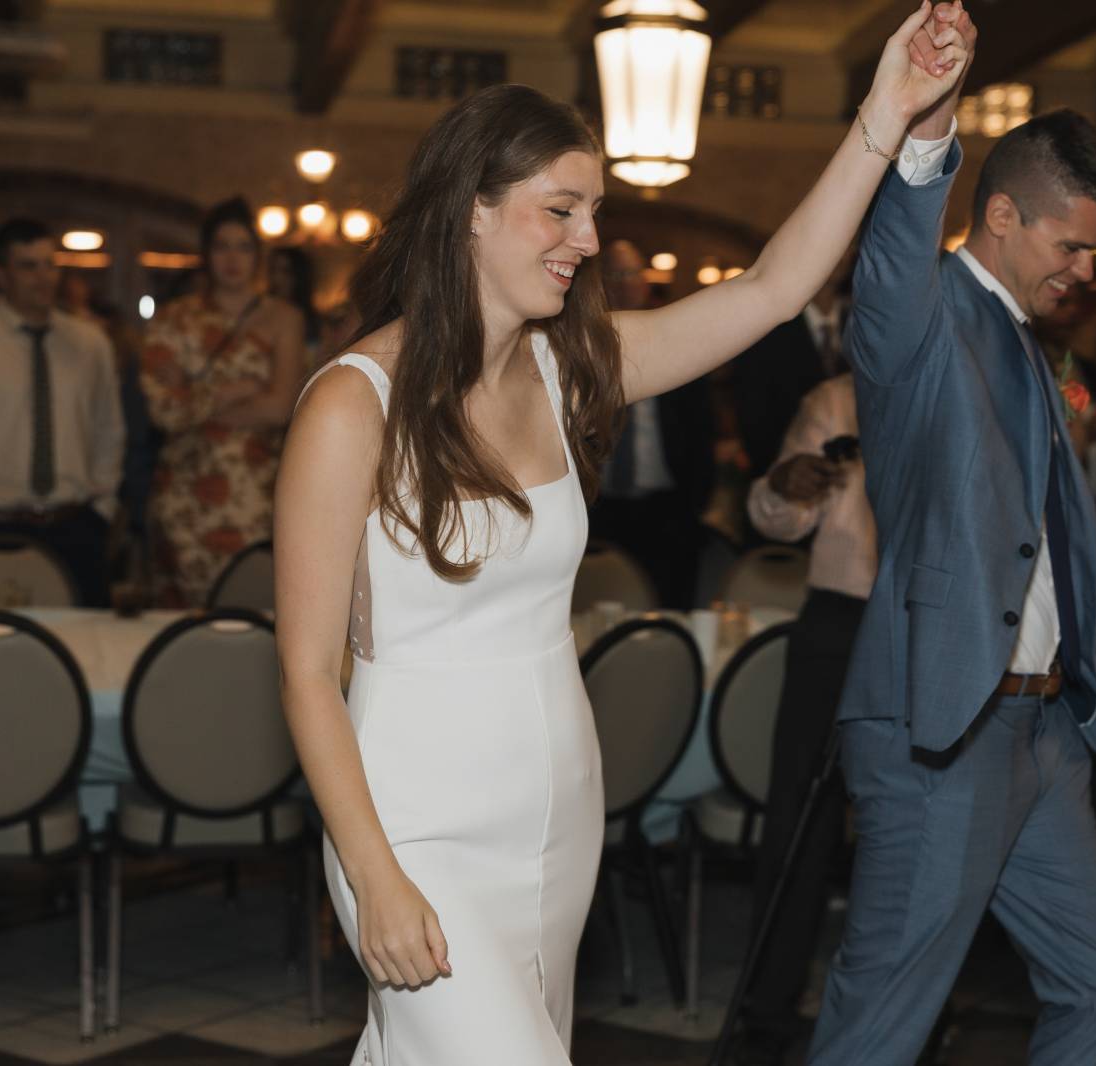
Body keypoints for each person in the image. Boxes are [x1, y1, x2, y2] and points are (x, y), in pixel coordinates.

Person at [271, 8, 974, 1063]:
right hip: (413, 820)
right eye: (560, 210)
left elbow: (773, 289)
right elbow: (304, 674)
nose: (589, 241)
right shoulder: (350, 405)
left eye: (593, 212)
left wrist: (885, 111)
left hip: (556, 806)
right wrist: (371, 871)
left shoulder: (569, 369)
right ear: (470, 211)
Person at [810, 87, 1096, 1066]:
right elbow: (889, 258)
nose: (1086, 272)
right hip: (943, 730)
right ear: (1002, 213)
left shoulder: (1027, 342)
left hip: (1045, 729)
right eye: (1072, 246)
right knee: (881, 1023)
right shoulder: (920, 322)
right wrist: (924, 131)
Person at [733, 370, 872, 1064]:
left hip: (934, 622)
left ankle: (891, 1014)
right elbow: (775, 515)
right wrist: (786, 487)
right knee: (798, 817)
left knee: (911, 826)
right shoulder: (836, 398)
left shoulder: (965, 380)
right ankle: (767, 1007)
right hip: (840, 618)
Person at [0, 219, 125, 607]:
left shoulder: (90, 345)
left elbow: (109, 430)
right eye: (28, 266)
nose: (43, 278)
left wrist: (102, 507)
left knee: (85, 640)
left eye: (50, 265)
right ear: (0, 275)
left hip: (74, 525)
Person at [139, 197, 305, 606]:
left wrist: (192, 394)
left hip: (254, 492)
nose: (233, 259)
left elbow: (279, 408)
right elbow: (164, 411)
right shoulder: (175, 319)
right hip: (184, 492)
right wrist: (236, 390)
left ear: (258, 256)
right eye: (222, 247)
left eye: (243, 247)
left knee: (252, 611)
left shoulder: (284, 318)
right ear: (206, 255)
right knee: (182, 618)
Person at [589, 238, 714, 607]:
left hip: (667, 509)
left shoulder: (677, 341)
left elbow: (700, 426)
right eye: (613, 275)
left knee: (670, 606)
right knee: (599, 608)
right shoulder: (580, 345)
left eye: (631, 273)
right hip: (599, 508)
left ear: (645, 282)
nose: (623, 284)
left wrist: (697, 502)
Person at [733, 266, 850, 482]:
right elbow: (753, 417)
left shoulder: (867, 322)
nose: (840, 254)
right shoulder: (764, 329)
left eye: (849, 248)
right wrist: (779, 477)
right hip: (787, 478)